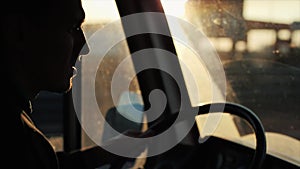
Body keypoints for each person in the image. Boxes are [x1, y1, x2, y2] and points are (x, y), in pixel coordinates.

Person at [1, 0, 152, 168]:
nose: (85, 47)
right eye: (73, 28)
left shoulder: (14, 131)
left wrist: (105, 153)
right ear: (19, 32)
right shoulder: (15, 135)